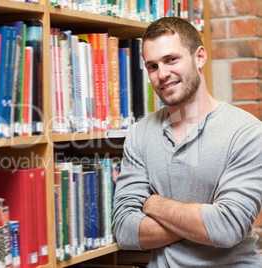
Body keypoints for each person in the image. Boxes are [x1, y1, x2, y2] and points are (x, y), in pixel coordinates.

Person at [112, 17, 262, 267]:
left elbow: (228, 228)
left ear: (199, 57)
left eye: (171, 59)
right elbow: (125, 230)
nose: (162, 74)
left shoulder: (247, 132)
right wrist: (204, 220)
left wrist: (153, 203)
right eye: (152, 66)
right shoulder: (139, 134)